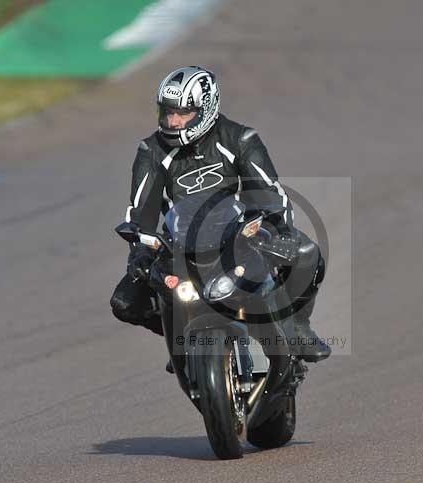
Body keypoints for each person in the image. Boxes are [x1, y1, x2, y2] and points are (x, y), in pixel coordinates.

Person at [110, 66, 330, 363]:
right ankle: (182, 338)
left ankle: (297, 328)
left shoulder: (240, 139)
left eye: (183, 113)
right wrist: (139, 249)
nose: (173, 121)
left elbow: (270, 195)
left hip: (239, 237)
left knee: (306, 253)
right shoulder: (151, 150)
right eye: (167, 112)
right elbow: (142, 211)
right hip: (181, 244)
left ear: (206, 108)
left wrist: (274, 230)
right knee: (125, 302)